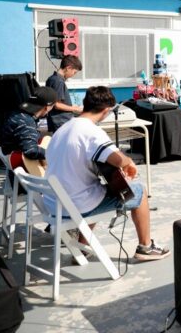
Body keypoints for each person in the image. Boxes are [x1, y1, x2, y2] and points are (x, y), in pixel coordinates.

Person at [45, 86, 170, 261]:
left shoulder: (63, 129)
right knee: (140, 192)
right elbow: (120, 160)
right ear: (106, 111)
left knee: (97, 189)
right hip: (76, 205)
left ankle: (83, 247)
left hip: (53, 204)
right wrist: (129, 163)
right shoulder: (92, 132)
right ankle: (146, 247)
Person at [1, 87, 57, 167]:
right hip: (21, 167)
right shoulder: (26, 121)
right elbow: (31, 151)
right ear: (47, 107)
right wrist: (53, 154)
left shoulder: (18, 113)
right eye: (53, 106)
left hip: (14, 161)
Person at [45, 55, 83, 133]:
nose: (73, 75)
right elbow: (57, 105)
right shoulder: (58, 81)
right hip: (61, 121)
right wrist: (76, 109)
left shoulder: (52, 79)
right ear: (68, 68)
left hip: (58, 121)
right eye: (74, 72)